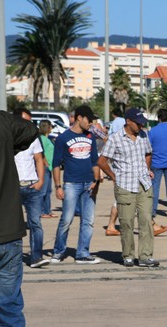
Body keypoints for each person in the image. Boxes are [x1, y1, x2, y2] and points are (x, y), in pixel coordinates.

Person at [0, 109, 39, 327]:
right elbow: (32, 130)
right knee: (10, 316)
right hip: (6, 234)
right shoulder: (2, 123)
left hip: (7, 235)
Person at [98, 108, 160, 267]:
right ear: (128, 122)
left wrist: (147, 169)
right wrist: (114, 177)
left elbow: (148, 153)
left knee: (146, 220)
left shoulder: (143, 136)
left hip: (144, 184)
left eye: (142, 124)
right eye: (138, 123)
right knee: (126, 222)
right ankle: (128, 255)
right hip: (124, 185)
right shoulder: (115, 139)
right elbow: (102, 161)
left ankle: (145, 256)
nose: (141, 126)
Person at [50, 105, 103, 265]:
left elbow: (95, 161)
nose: (91, 124)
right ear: (79, 118)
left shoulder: (90, 137)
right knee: (66, 219)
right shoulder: (63, 138)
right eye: (89, 120)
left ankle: (83, 253)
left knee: (88, 220)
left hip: (89, 184)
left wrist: (96, 181)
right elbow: (56, 164)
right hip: (71, 184)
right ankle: (58, 251)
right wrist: (58, 187)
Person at [13, 109, 47, 268]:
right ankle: (12, 259)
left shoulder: (33, 138)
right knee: (13, 225)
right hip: (12, 188)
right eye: (25, 121)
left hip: (32, 186)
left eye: (30, 121)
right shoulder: (8, 138)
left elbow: (39, 159)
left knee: (35, 223)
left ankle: (36, 257)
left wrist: (40, 181)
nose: (28, 125)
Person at [37, 120, 56, 218]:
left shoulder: (47, 138)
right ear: (47, 127)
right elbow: (40, 152)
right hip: (44, 167)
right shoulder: (42, 139)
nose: (52, 128)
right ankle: (40, 211)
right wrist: (45, 163)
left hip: (49, 168)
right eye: (51, 126)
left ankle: (47, 210)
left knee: (48, 191)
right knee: (43, 191)